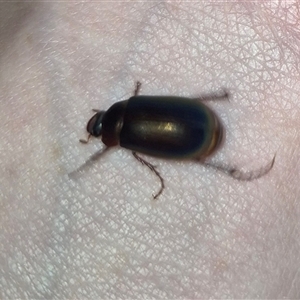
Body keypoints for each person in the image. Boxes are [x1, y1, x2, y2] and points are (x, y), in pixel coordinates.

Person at [1, 2, 298, 298]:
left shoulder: (127, 138)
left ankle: (226, 157)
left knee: (190, 157)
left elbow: (129, 153)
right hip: (200, 117)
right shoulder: (131, 106)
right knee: (190, 126)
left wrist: (91, 164)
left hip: (197, 135)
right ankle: (219, 107)